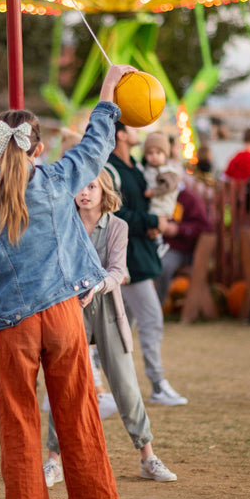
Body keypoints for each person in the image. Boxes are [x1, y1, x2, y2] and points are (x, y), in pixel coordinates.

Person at [0, 64, 130, 499]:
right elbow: (98, 144)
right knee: (78, 418)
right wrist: (106, 90)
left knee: (20, 428)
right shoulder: (58, 180)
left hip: (13, 324)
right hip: (63, 316)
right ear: (38, 147)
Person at [43, 169, 177, 490]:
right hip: (69, 307)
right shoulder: (62, 223)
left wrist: (96, 286)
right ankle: (53, 461)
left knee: (125, 384)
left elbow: (119, 272)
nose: (85, 193)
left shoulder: (118, 226)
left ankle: (147, 458)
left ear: (104, 191)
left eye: (92, 186)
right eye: (80, 187)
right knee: (63, 383)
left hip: (105, 306)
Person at [106, 122, 188, 406]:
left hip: (140, 253)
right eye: (131, 127)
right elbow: (113, 214)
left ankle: (112, 386)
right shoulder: (111, 168)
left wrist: (155, 223)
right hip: (126, 258)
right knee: (150, 319)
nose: (137, 131)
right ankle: (157, 384)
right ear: (120, 133)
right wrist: (154, 223)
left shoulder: (136, 167)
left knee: (120, 328)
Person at [155, 185, 214, 305]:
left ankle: (156, 309)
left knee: (163, 266)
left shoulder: (188, 198)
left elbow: (204, 227)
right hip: (155, 246)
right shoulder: (155, 196)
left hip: (179, 249)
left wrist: (178, 230)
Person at [140, 130, 180, 258]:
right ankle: (156, 244)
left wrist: (153, 192)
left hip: (163, 205)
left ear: (165, 154)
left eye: (158, 153)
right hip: (154, 205)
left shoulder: (167, 170)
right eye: (150, 153)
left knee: (156, 226)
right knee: (151, 227)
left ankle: (159, 245)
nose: (154, 156)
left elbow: (168, 187)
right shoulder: (148, 169)